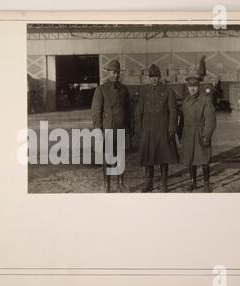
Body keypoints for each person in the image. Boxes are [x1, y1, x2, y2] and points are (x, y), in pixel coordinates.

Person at [91, 59, 132, 193]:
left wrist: (130, 128)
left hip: (120, 129)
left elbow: (129, 110)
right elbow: (96, 111)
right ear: (108, 73)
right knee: (107, 157)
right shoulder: (101, 90)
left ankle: (121, 182)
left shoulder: (124, 90)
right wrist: (97, 128)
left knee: (121, 156)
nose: (115, 75)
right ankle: (106, 184)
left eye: (117, 73)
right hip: (107, 129)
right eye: (113, 72)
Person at [137, 64, 178, 193]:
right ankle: (148, 182)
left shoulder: (168, 91)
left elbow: (173, 112)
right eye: (151, 77)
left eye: (156, 77)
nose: (154, 79)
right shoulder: (144, 92)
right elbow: (139, 111)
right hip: (148, 130)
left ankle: (164, 183)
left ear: (159, 77)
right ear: (149, 78)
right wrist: (139, 129)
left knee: (163, 157)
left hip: (162, 129)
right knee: (148, 157)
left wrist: (172, 129)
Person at [180, 74, 217, 192]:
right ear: (187, 87)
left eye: (195, 86)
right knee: (191, 160)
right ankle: (193, 183)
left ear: (199, 86)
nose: (192, 88)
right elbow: (182, 119)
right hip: (188, 134)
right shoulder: (186, 101)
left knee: (204, 160)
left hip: (200, 133)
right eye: (190, 86)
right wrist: (180, 134)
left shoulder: (205, 100)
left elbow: (210, 120)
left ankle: (206, 184)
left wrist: (207, 135)